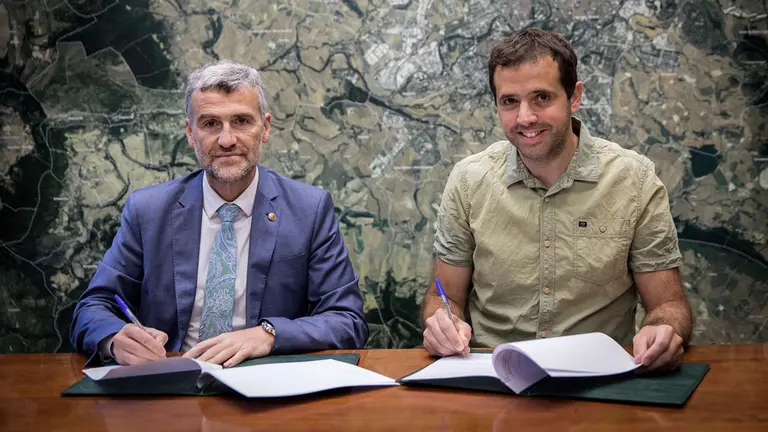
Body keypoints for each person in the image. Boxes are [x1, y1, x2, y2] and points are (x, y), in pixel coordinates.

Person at [421, 28, 692, 371]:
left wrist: (662, 329)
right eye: (509, 101)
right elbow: (443, 298)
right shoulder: (468, 180)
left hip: (600, 380)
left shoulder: (634, 181)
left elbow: (669, 303)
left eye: (542, 98)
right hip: (492, 378)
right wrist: (441, 322)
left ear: (574, 96)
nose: (525, 118)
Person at [71, 60, 368, 367]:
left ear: (264, 128)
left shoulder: (309, 210)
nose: (227, 140)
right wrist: (114, 338)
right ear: (190, 132)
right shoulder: (148, 211)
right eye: (211, 124)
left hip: (266, 385)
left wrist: (269, 334)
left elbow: (347, 320)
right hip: (168, 383)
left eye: (241, 121)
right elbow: (94, 306)